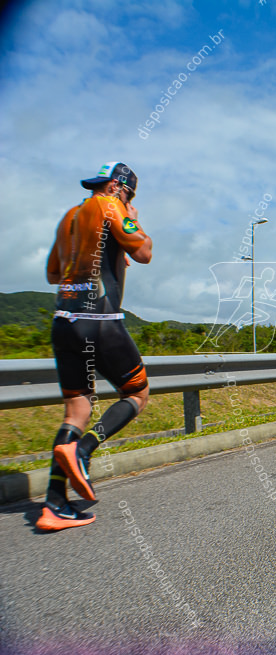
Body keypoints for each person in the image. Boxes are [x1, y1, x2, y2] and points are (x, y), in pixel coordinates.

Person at [37, 162, 153, 531]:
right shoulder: (113, 205)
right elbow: (144, 252)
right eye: (129, 194)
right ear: (121, 188)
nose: (128, 199)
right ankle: (83, 451)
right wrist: (131, 218)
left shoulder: (70, 217)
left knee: (76, 411)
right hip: (100, 322)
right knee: (136, 393)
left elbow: (53, 273)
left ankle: (54, 505)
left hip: (63, 322)